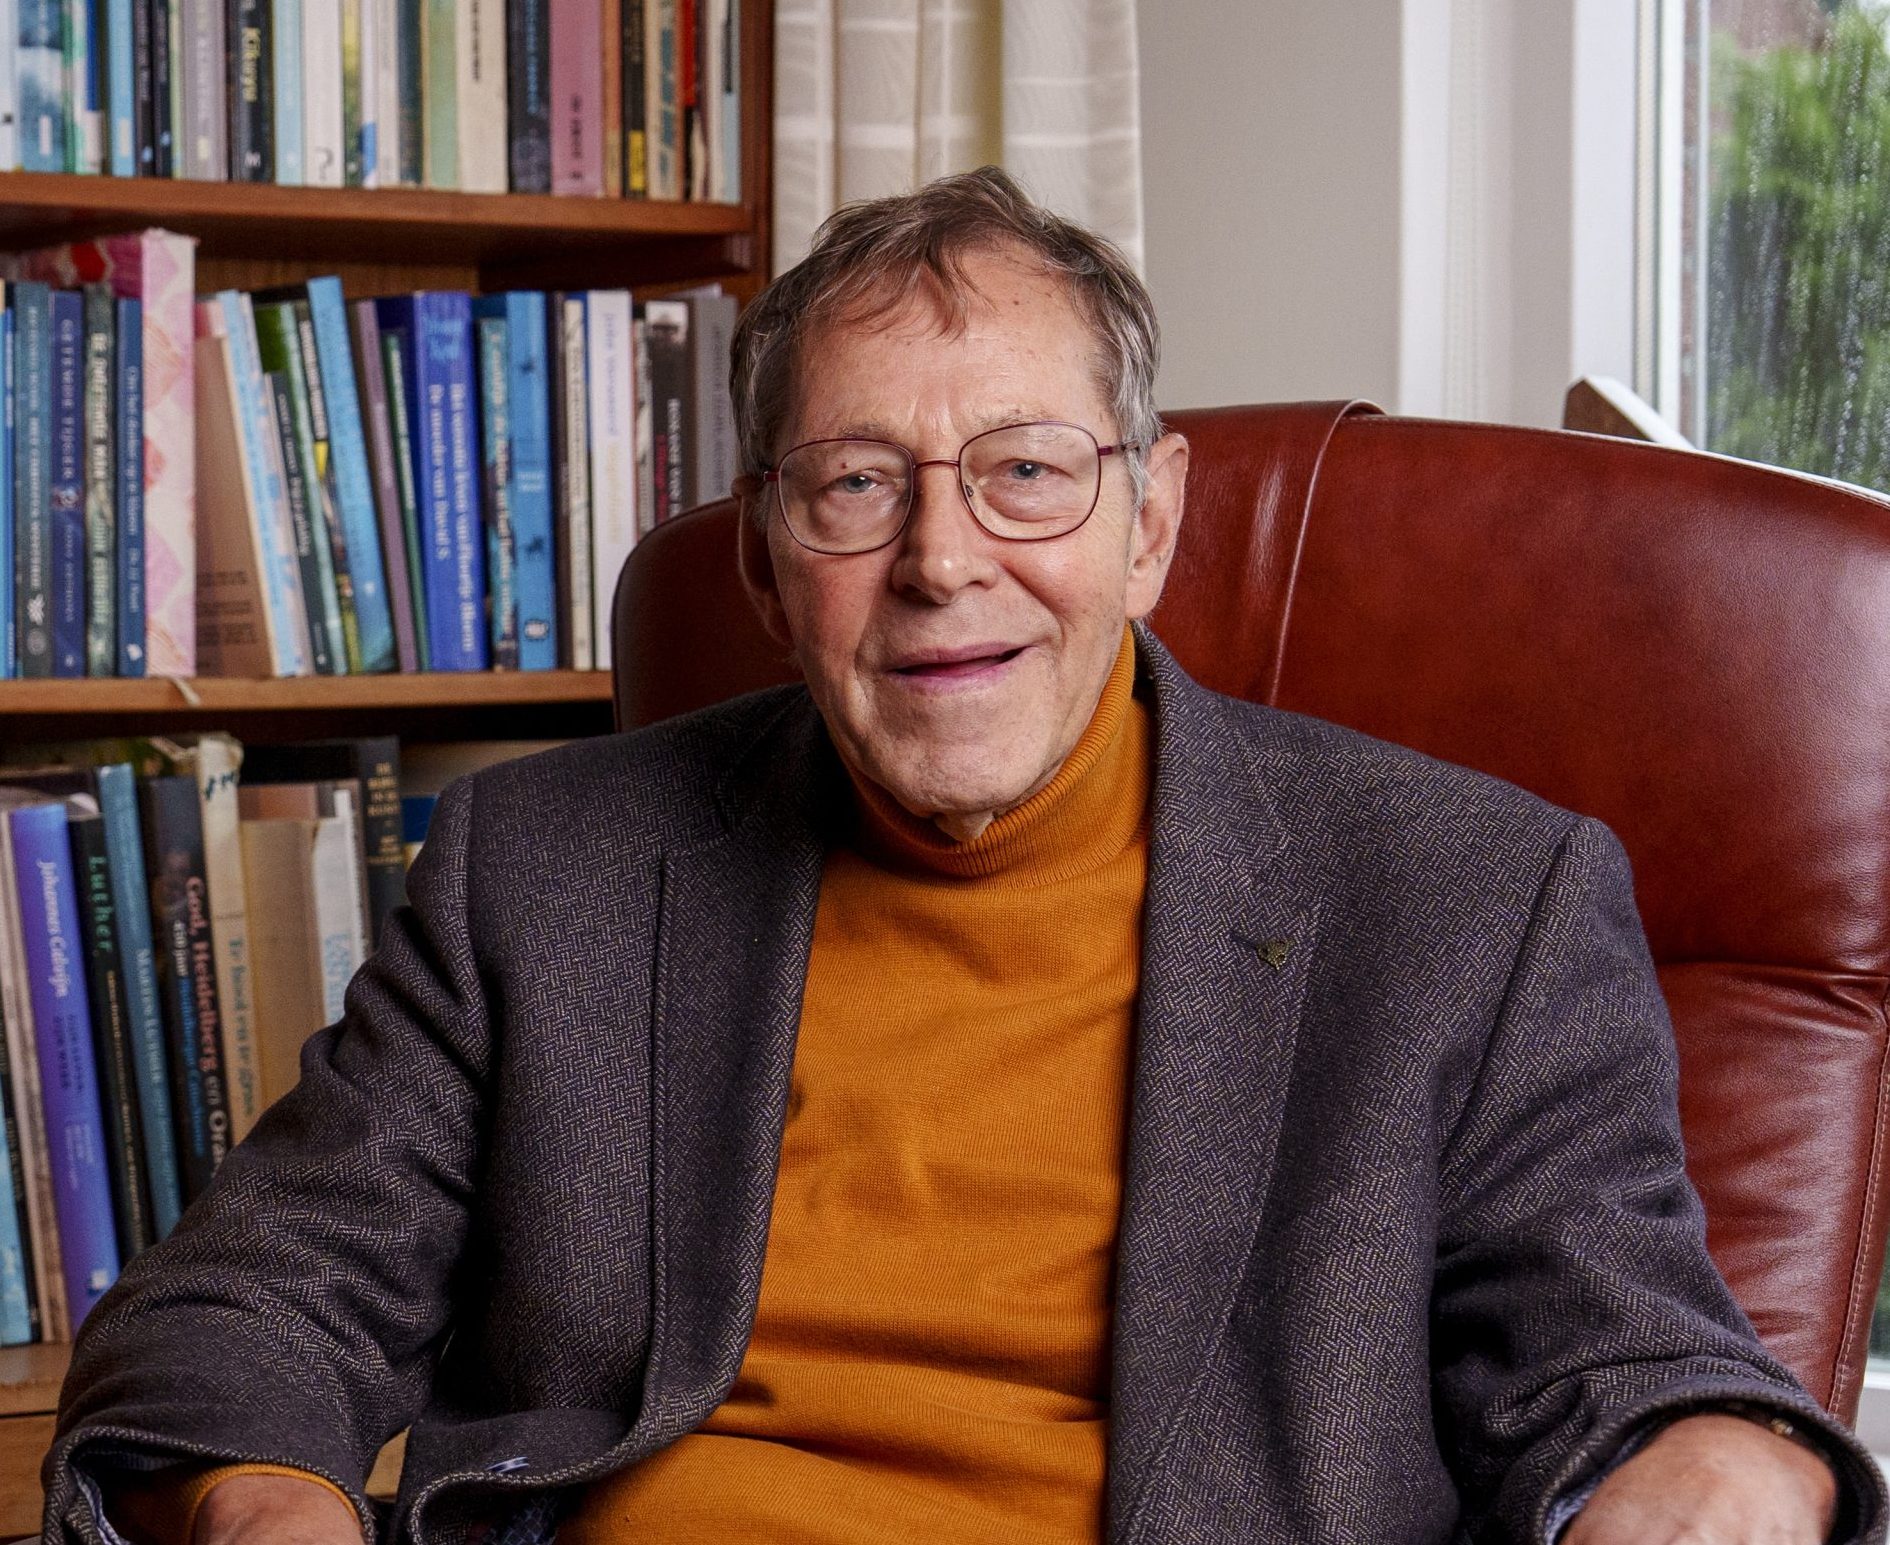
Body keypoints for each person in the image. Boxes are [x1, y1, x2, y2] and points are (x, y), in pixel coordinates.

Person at [41, 168, 1887, 1545]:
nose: (941, 560)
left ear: (1148, 521)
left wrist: (1726, 1463)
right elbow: (246, 1300)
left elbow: (1625, 1362)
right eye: (855, 483)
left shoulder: (1470, 902)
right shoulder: (550, 863)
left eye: (1026, 469)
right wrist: (265, 1500)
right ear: (761, 559)